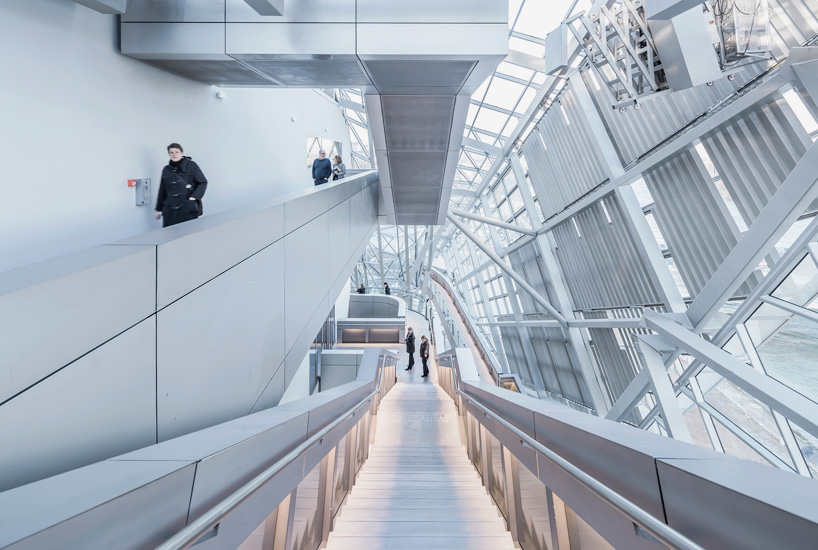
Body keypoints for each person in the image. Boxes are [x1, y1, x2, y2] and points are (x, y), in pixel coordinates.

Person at [154, 143, 207, 228]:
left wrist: (194, 197)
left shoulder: (191, 165)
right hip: (170, 209)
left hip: (187, 207)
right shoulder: (166, 169)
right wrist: (158, 209)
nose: (174, 154)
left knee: (188, 234)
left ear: (181, 153)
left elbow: (203, 182)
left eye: (176, 152)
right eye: (171, 152)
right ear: (169, 154)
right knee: (170, 235)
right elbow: (162, 190)